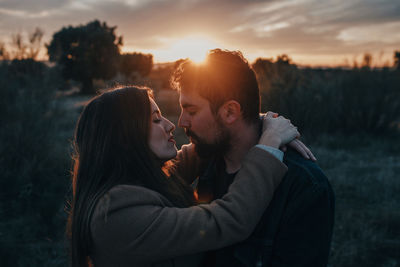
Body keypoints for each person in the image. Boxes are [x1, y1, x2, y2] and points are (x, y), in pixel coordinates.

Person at [67, 86, 301, 267]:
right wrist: (269, 145)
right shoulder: (117, 215)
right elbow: (227, 220)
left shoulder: (135, 182)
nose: (171, 125)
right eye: (156, 120)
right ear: (125, 138)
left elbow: (194, 154)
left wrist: (245, 121)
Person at [172, 49, 335, 266]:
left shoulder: (304, 186)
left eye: (191, 111)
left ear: (230, 112)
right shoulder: (209, 162)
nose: (181, 122)